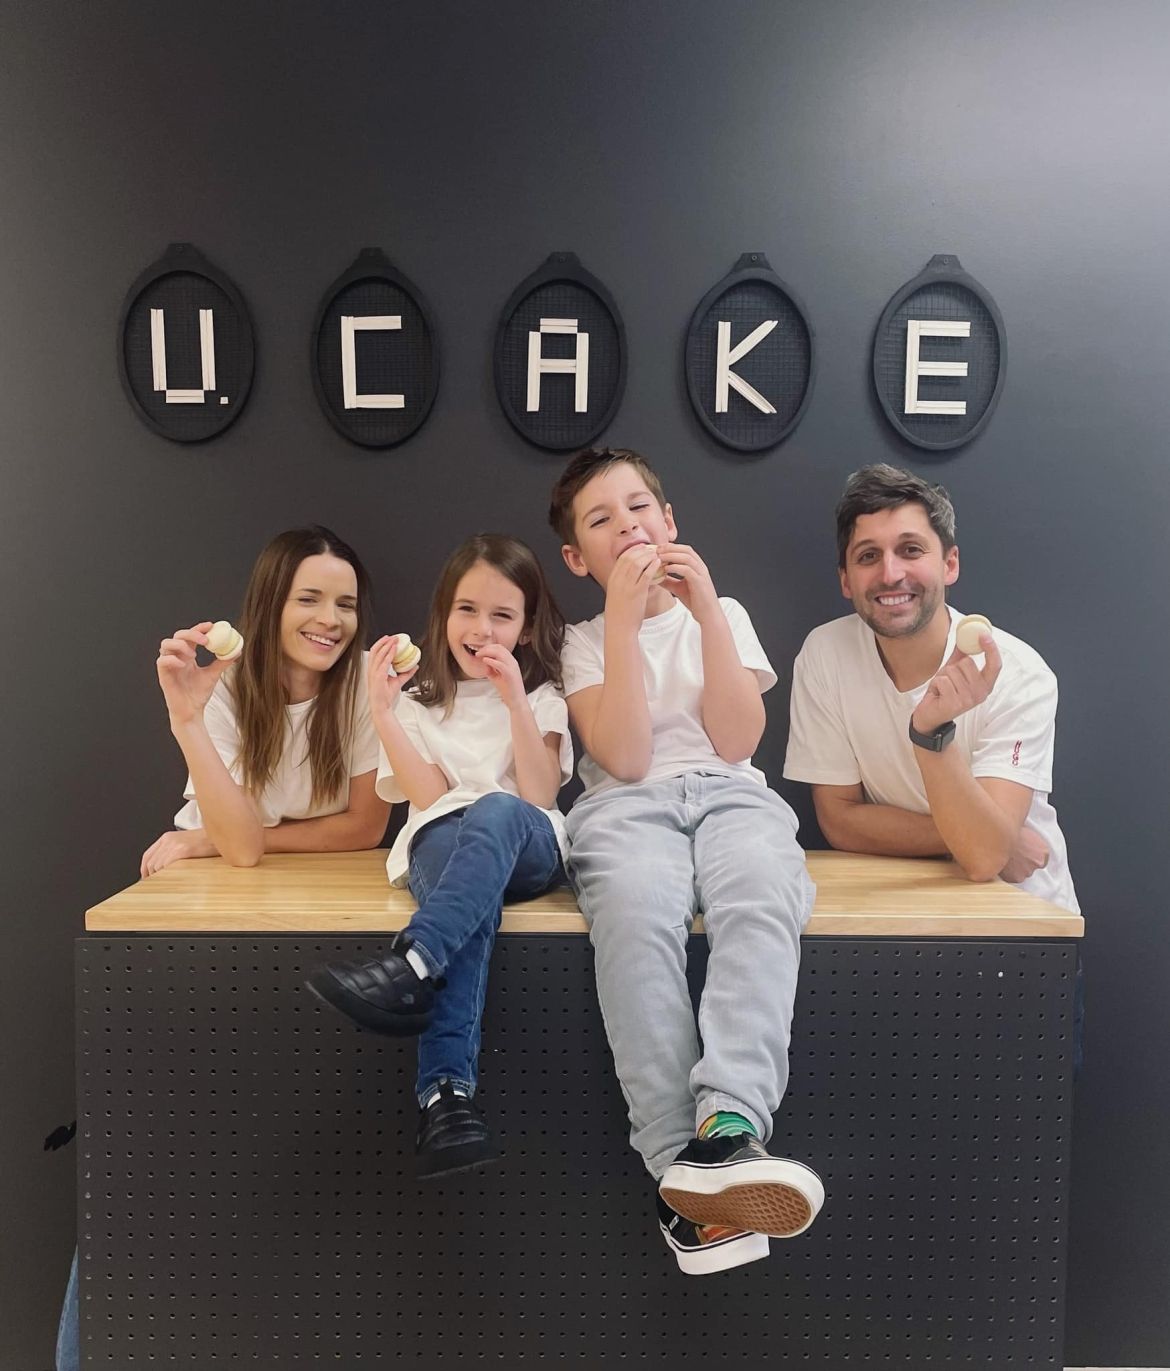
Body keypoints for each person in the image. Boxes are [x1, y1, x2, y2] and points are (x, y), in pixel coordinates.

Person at [57, 525, 388, 1371]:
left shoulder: (358, 696)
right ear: (271, 602)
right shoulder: (226, 684)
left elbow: (363, 826)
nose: (331, 618)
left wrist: (228, 836)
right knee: (146, 1164)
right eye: (310, 597)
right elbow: (237, 847)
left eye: (345, 601)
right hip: (197, 926)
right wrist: (187, 719)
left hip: (293, 921)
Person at [549, 447, 823, 1277]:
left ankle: (729, 1129)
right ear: (578, 558)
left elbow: (739, 740)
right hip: (622, 807)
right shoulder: (580, 641)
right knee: (632, 914)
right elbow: (627, 757)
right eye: (601, 520)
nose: (627, 525)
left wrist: (704, 614)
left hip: (730, 790)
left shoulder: (726, 614)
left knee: (764, 892)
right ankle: (683, 1171)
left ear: (671, 524)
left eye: (640, 508)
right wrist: (627, 625)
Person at [305, 534, 572, 1178]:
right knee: (466, 892)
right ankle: (446, 1101)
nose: (483, 630)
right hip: (445, 847)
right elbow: (427, 798)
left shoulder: (543, 699)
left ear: (527, 629)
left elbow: (537, 793)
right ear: (443, 617)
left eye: (503, 616)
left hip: (526, 844)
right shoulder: (419, 701)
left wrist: (513, 700)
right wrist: (382, 711)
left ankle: (411, 963)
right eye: (467, 611)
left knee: (498, 808)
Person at [784, 463, 1078, 914]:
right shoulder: (825, 654)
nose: (890, 573)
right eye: (867, 556)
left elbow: (983, 861)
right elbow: (839, 821)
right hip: (896, 910)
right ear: (845, 580)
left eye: (910, 549)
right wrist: (990, 837)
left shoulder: (1018, 672)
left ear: (950, 563)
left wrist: (930, 735)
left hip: (1024, 918)